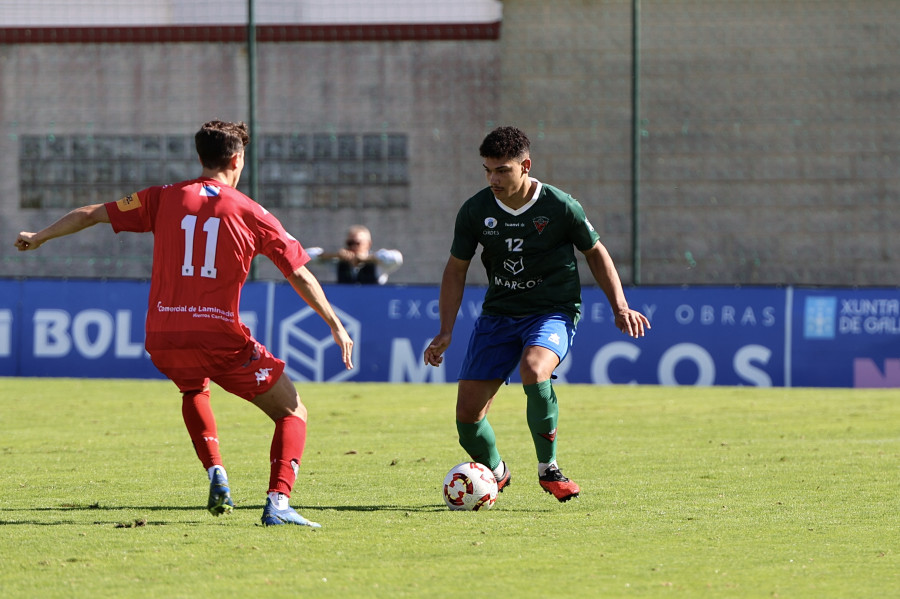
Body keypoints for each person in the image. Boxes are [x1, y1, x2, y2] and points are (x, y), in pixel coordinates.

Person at [14, 120, 354, 527]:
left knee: (193, 387)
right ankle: (278, 504)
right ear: (237, 159)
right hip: (218, 337)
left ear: (200, 158)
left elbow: (91, 214)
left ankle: (217, 473)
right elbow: (298, 272)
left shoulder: (162, 198)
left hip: (163, 335)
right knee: (292, 411)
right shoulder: (252, 212)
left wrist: (39, 236)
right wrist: (335, 323)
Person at [423, 126, 650, 502]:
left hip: (552, 310)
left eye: (502, 170)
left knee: (534, 367)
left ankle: (549, 468)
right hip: (498, 315)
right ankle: (496, 473)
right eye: (487, 170)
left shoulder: (560, 206)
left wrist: (619, 305)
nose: (493, 179)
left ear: (525, 166)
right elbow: (456, 269)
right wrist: (446, 329)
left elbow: (595, 252)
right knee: (467, 421)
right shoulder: (476, 210)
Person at [306, 225, 403, 284]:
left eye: (357, 243)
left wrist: (367, 259)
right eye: (350, 243)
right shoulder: (339, 262)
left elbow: (397, 258)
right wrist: (334, 255)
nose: (353, 247)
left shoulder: (378, 263)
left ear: (368, 244)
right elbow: (305, 256)